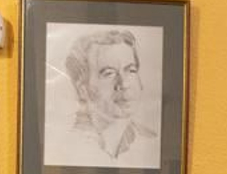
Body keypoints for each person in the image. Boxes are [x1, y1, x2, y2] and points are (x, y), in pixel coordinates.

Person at [62, 29, 158, 162]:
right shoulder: (64, 147)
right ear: (82, 90)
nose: (124, 84)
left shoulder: (152, 142)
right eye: (109, 73)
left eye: (131, 70)